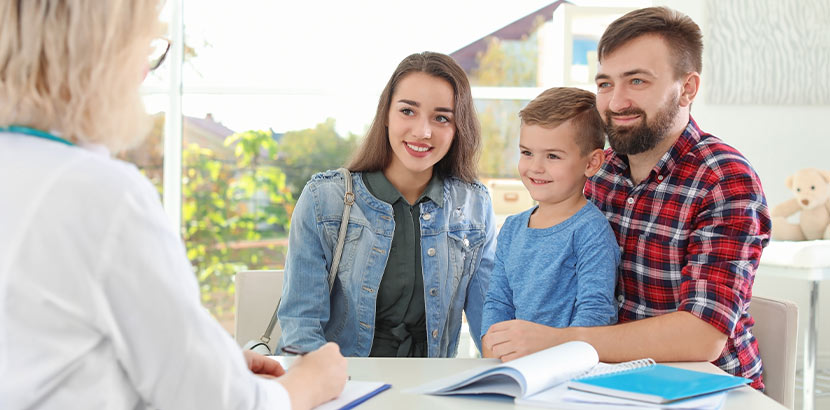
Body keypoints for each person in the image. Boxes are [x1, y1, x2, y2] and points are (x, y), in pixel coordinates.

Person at [0, 1, 346, 409]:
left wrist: (206, 360)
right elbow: (220, 405)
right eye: (146, 47)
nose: (145, 73)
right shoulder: (101, 194)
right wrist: (310, 382)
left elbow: (46, 347)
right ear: (101, 52)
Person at [481, 7, 771, 389]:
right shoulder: (596, 171)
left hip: (706, 388)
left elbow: (703, 336)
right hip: (607, 380)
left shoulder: (724, 179)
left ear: (687, 88)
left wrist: (558, 342)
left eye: (637, 81)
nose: (616, 103)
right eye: (604, 84)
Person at [277, 51, 496, 358]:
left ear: (458, 128)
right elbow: (301, 328)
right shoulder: (324, 199)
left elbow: (489, 320)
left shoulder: (474, 205)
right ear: (386, 115)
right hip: (340, 382)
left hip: (433, 388)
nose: (422, 132)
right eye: (408, 111)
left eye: (442, 117)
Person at [480, 87, 619, 360]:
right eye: (527, 152)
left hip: (567, 369)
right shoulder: (512, 228)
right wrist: (491, 344)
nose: (535, 167)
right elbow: (497, 300)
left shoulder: (591, 231)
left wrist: (555, 358)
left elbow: (596, 313)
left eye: (553, 156)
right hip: (513, 365)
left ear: (591, 163)